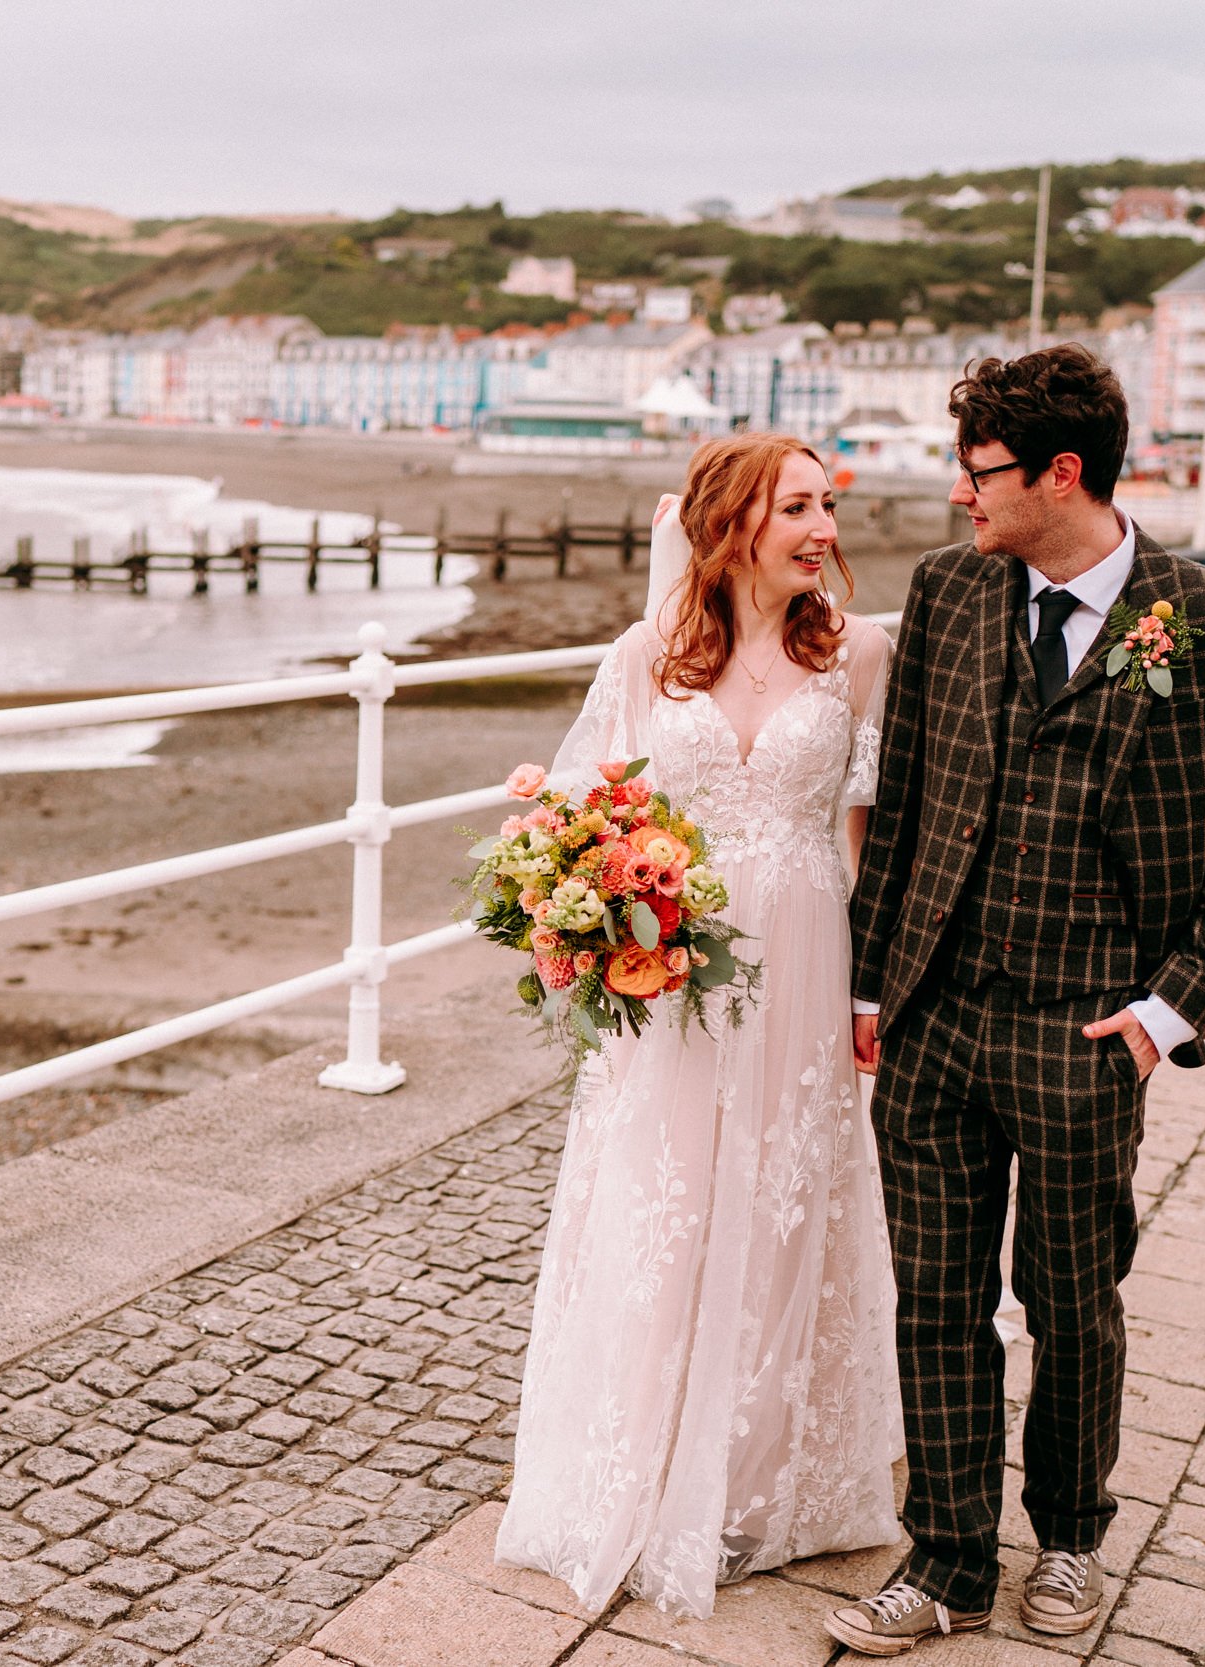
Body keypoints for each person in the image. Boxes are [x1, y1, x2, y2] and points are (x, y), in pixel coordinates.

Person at [833, 346, 1205, 1655]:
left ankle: (1071, 1535)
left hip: (1088, 1026)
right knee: (936, 1292)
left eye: (978, 472)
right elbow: (902, 800)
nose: (959, 495)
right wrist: (872, 982)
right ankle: (951, 1557)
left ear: (1060, 473)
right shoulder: (950, 589)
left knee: (1075, 1292)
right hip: (935, 1014)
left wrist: (1165, 1012)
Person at [497, 433, 905, 1618]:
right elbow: (580, 809)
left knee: (784, 1203)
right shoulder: (645, 657)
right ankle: (634, 1457)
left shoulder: (860, 656)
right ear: (732, 523)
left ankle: (755, 1479)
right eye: (798, 506)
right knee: (658, 1198)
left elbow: (871, 841)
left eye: (827, 504)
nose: (824, 526)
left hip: (805, 956)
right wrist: (575, 913)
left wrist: (867, 990)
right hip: (671, 971)